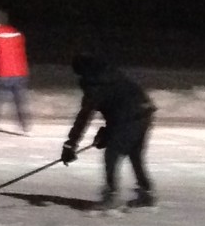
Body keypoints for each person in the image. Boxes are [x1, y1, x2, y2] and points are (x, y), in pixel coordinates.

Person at [61, 52, 158, 209]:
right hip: (144, 113)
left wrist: (71, 144)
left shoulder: (95, 84)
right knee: (134, 154)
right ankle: (146, 193)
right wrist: (108, 132)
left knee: (112, 154)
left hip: (129, 118)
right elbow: (117, 104)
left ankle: (111, 196)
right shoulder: (112, 75)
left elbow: (84, 116)